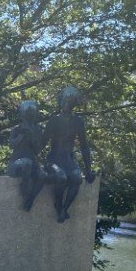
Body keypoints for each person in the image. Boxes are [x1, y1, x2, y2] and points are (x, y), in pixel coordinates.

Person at [43, 86, 96, 222]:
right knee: (61, 177)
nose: (66, 104)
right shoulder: (54, 120)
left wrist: (88, 169)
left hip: (68, 159)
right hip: (53, 159)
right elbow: (42, 143)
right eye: (64, 101)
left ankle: (64, 209)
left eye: (69, 102)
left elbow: (84, 146)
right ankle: (59, 205)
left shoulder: (78, 121)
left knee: (77, 178)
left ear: (73, 104)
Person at [7, 99, 46, 210]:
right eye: (28, 113)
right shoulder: (17, 129)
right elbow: (12, 145)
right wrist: (22, 135)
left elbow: (38, 149)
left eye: (32, 113)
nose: (30, 116)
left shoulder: (37, 129)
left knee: (42, 175)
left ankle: (30, 199)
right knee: (26, 163)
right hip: (16, 163)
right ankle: (24, 187)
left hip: (32, 163)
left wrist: (32, 136)